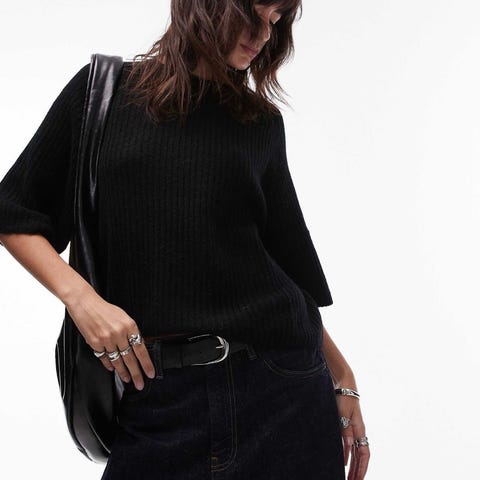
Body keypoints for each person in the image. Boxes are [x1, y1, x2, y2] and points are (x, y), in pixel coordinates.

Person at [0, 1, 370, 479]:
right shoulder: (103, 94)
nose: (264, 34)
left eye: (277, 20)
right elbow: (13, 212)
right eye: (255, 12)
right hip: (157, 398)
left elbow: (287, 268)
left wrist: (342, 376)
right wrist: (82, 300)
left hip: (283, 393)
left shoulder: (259, 123)